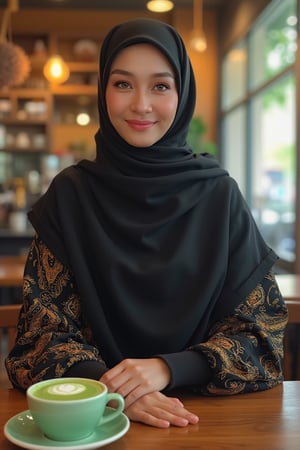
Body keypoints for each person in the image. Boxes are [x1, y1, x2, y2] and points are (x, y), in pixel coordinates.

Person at [6, 18, 288, 428]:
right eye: (123, 84)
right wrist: (114, 392)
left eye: (160, 86)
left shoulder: (220, 196)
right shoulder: (69, 196)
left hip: (204, 422)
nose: (141, 104)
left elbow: (264, 340)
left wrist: (167, 368)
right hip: (91, 422)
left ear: (182, 94)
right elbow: (39, 340)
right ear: (103, 92)